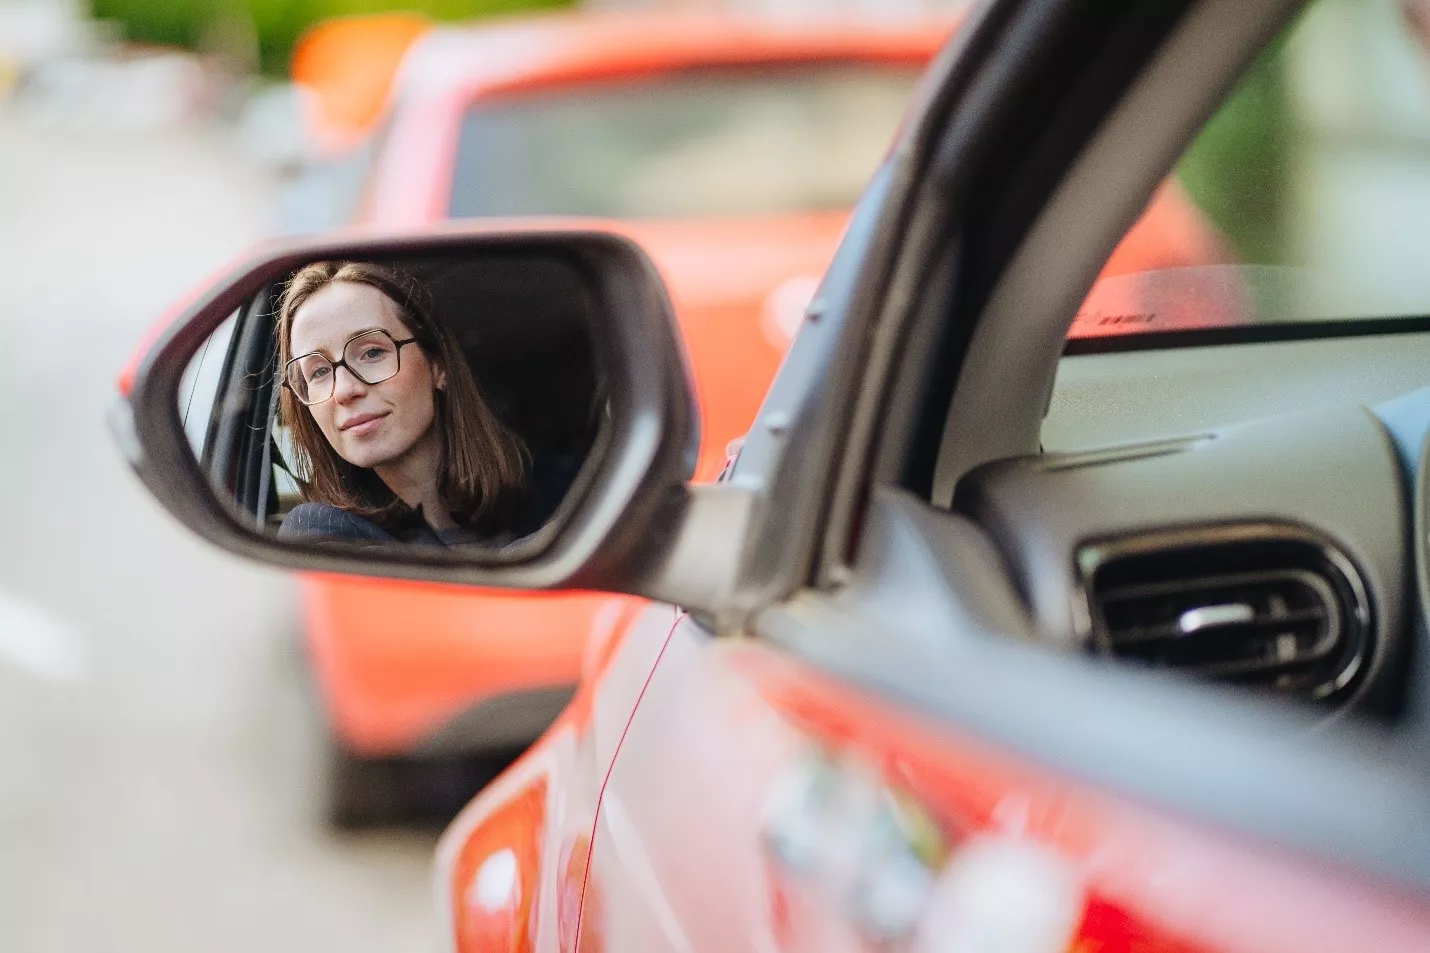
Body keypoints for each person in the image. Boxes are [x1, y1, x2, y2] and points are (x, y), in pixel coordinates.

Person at [274, 260, 529, 546]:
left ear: (438, 365)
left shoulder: (548, 500)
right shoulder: (321, 533)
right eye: (319, 372)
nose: (344, 391)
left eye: (371, 353)